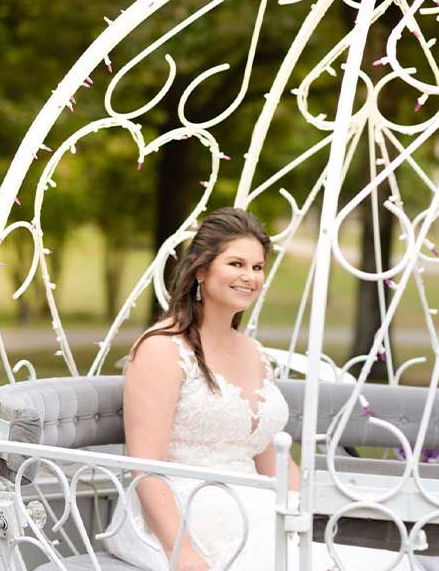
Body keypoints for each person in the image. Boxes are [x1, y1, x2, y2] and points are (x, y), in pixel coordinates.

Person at [103, 207, 417, 571]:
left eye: (257, 267)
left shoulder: (253, 351)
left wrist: (327, 510)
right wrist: (183, 552)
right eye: (236, 264)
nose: (249, 276)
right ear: (201, 270)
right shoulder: (161, 348)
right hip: (186, 509)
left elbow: (272, 461)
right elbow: (146, 467)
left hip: (255, 502)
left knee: (370, 555)